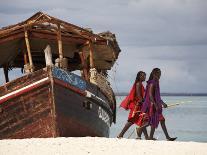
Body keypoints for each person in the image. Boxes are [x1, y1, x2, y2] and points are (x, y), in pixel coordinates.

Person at [140, 68, 177, 141]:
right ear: (154, 74)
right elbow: (150, 95)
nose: (160, 75)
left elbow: (157, 96)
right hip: (152, 105)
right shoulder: (152, 83)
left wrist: (162, 103)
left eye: (160, 73)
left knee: (159, 120)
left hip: (156, 104)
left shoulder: (156, 82)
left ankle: (165, 137)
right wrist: (155, 105)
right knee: (154, 120)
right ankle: (143, 129)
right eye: (159, 73)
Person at [117, 71, 148, 139]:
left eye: (145, 76)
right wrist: (144, 102)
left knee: (142, 120)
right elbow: (139, 96)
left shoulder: (140, 84)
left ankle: (145, 136)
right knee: (131, 120)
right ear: (139, 77)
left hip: (139, 105)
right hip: (136, 105)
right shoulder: (138, 84)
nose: (144, 77)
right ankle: (121, 134)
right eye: (143, 76)